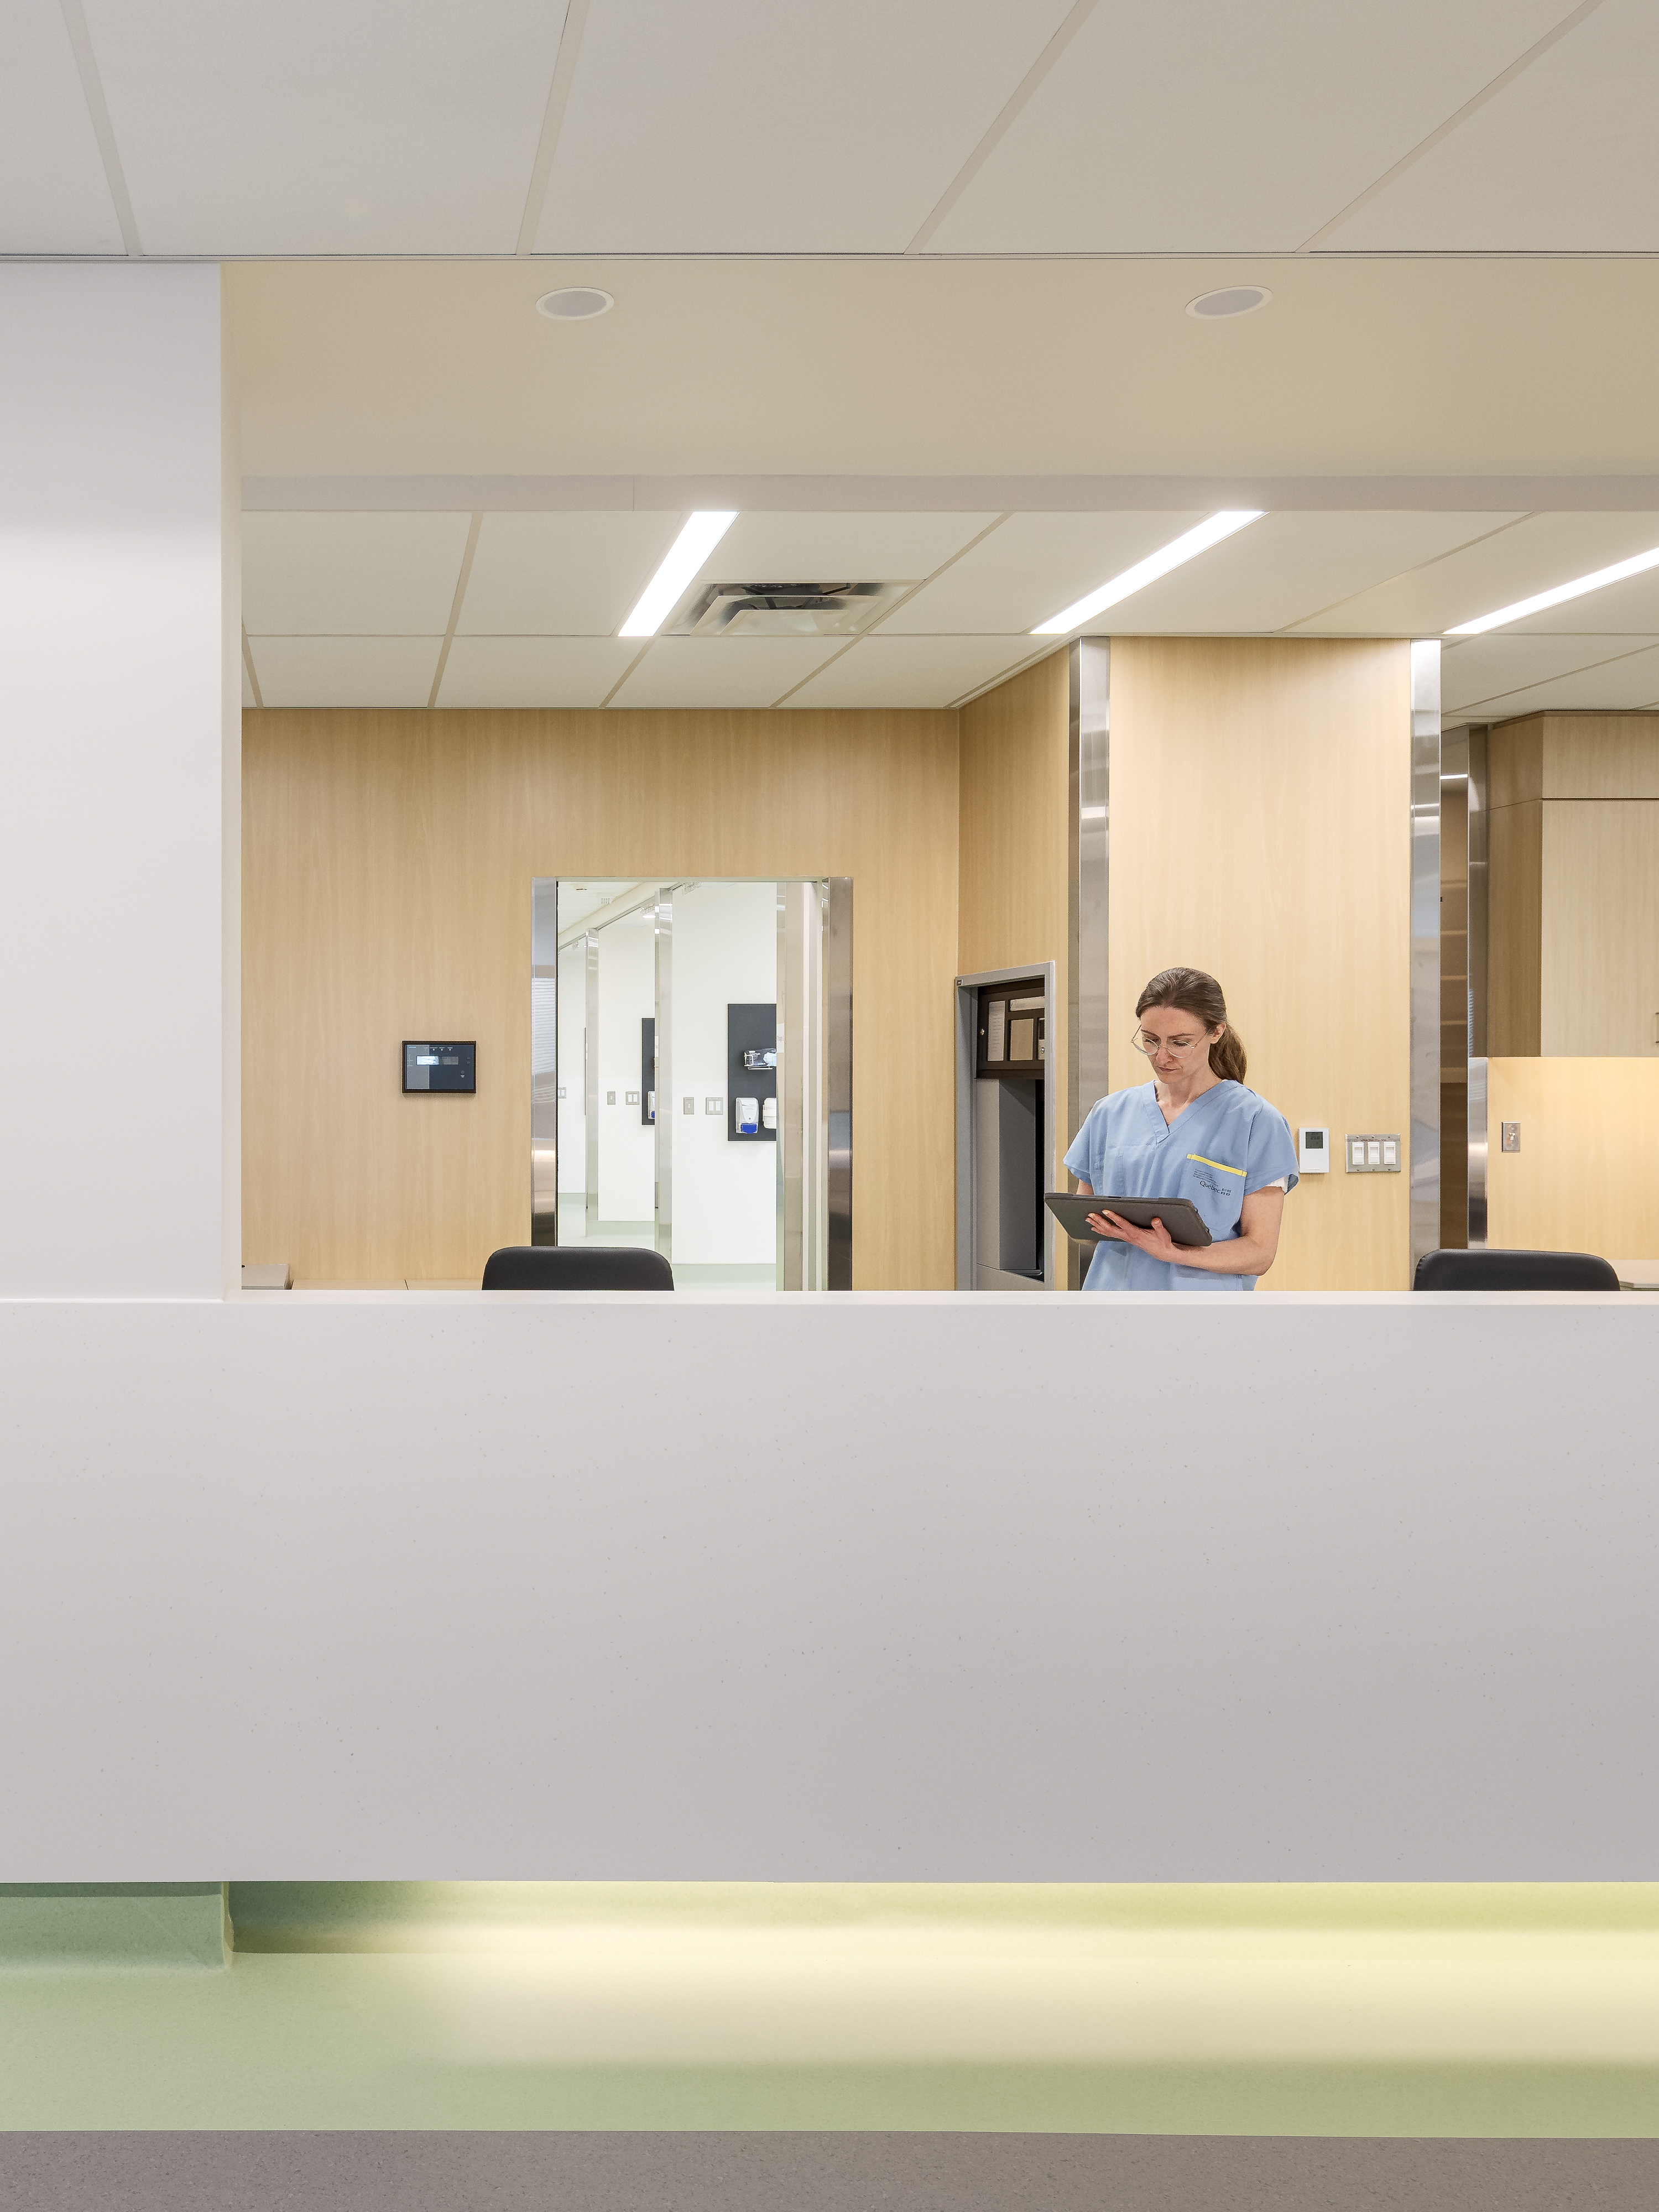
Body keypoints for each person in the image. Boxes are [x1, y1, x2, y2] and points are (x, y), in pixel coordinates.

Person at [1065, 967, 1297, 1291]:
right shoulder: (1110, 1112)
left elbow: (1259, 1253)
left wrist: (1173, 1252)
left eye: (1180, 1043)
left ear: (1216, 1032)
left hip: (1201, 1313)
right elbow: (1087, 1227)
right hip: (1111, 1300)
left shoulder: (1256, 1121)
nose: (1162, 1056)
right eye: (1150, 1041)